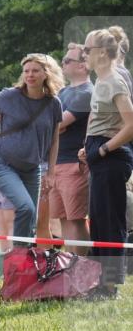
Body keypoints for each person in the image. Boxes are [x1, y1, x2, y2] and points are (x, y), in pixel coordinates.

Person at [0, 54, 63, 244]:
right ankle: (18, 260)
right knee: (26, 208)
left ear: (45, 74)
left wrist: (51, 171)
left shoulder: (53, 103)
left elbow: (55, 140)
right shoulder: (11, 95)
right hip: (4, 163)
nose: (30, 75)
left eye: (35, 71)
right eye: (26, 71)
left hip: (32, 168)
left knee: (30, 220)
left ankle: (23, 263)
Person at [79, 27, 133, 295]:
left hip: (111, 157)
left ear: (101, 53)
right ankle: (100, 282)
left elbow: (131, 125)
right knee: (99, 220)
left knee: (110, 221)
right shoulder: (101, 81)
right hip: (99, 154)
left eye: (86, 50)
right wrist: (88, 147)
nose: (82, 55)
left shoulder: (114, 81)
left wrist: (102, 149)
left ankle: (109, 285)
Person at [48, 44, 93, 255]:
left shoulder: (86, 92)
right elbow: (50, 123)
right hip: (57, 162)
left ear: (83, 66)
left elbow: (57, 124)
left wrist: (56, 126)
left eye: (67, 61)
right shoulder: (64, 92)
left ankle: (81, 272)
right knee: (64, 219)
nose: (63, 63)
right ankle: (71, 267)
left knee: (76, 220)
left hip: (74, 164)